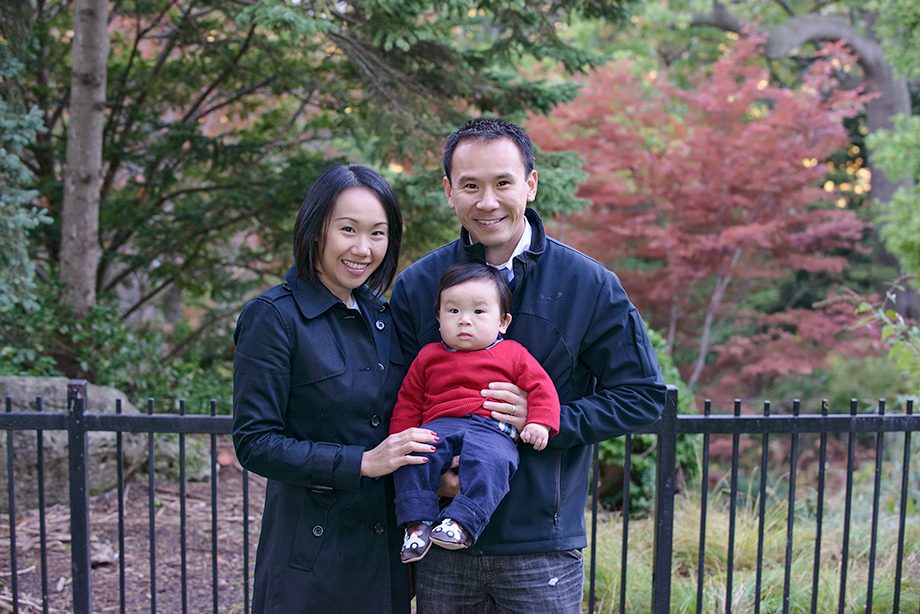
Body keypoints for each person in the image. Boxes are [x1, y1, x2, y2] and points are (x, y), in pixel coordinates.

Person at [390, 118, 667, 613]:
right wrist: (430, 479)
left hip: (541, 546)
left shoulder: (589, 284)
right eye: (470, 185)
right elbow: (398, 402)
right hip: (442, 538)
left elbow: (642, 397)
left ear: (531, 184)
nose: (487, 201)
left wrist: (543, 419)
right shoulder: (419, 285)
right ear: (449, 192)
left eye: (503, 182)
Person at [232, 163, 438, 614]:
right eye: (348, 229)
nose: (363, 249)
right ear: (316, 230)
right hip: (311, 561)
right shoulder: (274, 317)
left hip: (385, 557)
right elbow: (255, 443)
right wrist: (362, 463)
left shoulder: (383, 316)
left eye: (378, 234)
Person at [389, 263, 560, 564]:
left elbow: (542, 389)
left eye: (479, 312)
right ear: (438, 317)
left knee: (492, 462)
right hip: (438, 426)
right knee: (414, 458)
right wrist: (399, 439)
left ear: (503, 321)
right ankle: (417, 524)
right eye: (453, 311)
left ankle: (462, 523)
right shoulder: (428, 356)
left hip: (490, 429)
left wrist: (540, 423)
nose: (464, 321)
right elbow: (409, 401)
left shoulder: (513, 353)